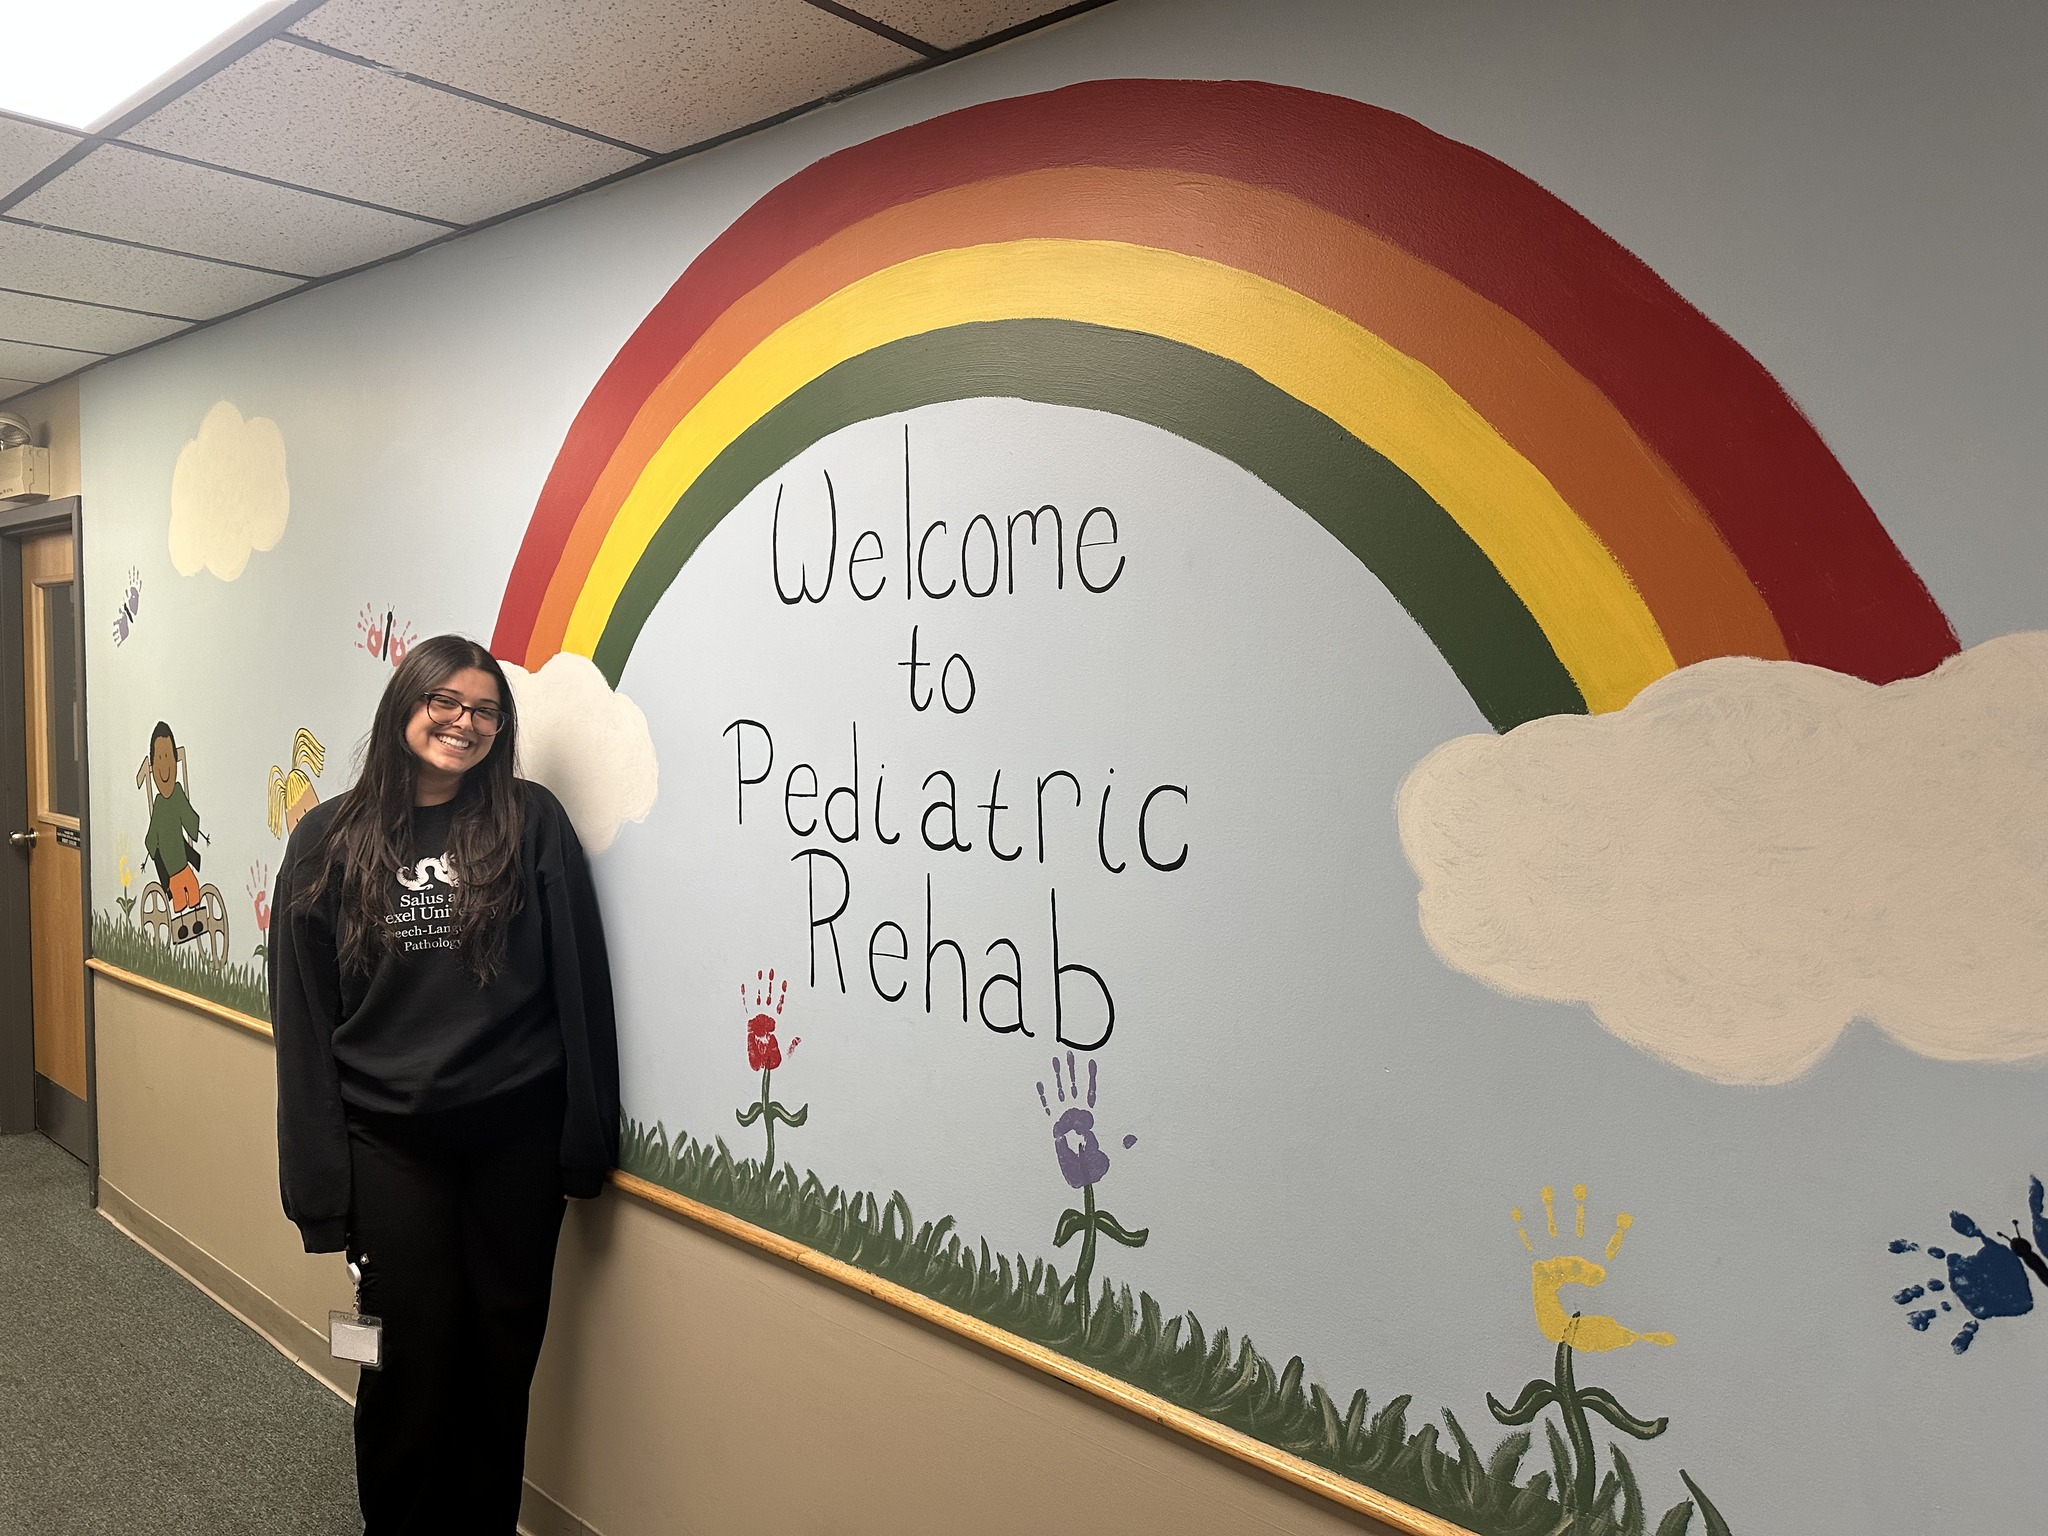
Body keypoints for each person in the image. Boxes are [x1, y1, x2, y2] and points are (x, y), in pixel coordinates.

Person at [270, 634, 619, 1534]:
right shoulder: (328, 839)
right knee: (407, 1370)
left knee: (501, 1365)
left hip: (517, 1144)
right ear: (406, 708)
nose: (464, 724)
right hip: (389, 1147)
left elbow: (580, 984)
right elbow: (303, 1026)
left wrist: (587, 1137)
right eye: (446, 704)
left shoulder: (530, 823)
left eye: (485, 711)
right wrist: (319, 1187)